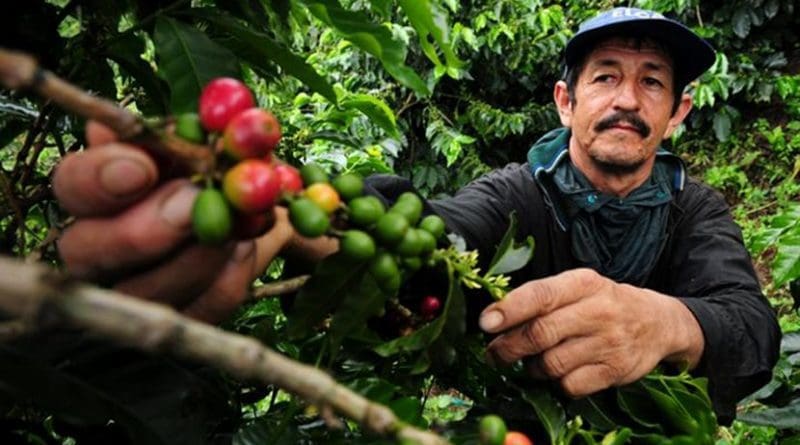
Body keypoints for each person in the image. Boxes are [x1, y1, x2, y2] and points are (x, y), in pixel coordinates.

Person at [52, 7, 779, 424]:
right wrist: (312, 225)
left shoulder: (695, 208)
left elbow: (752, 329)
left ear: (680, 112)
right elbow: (435, 233)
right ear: (566, 102)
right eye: (606, 78)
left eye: (652, 82)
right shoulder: (519, 193)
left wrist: (663, 322)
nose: (628, 98)